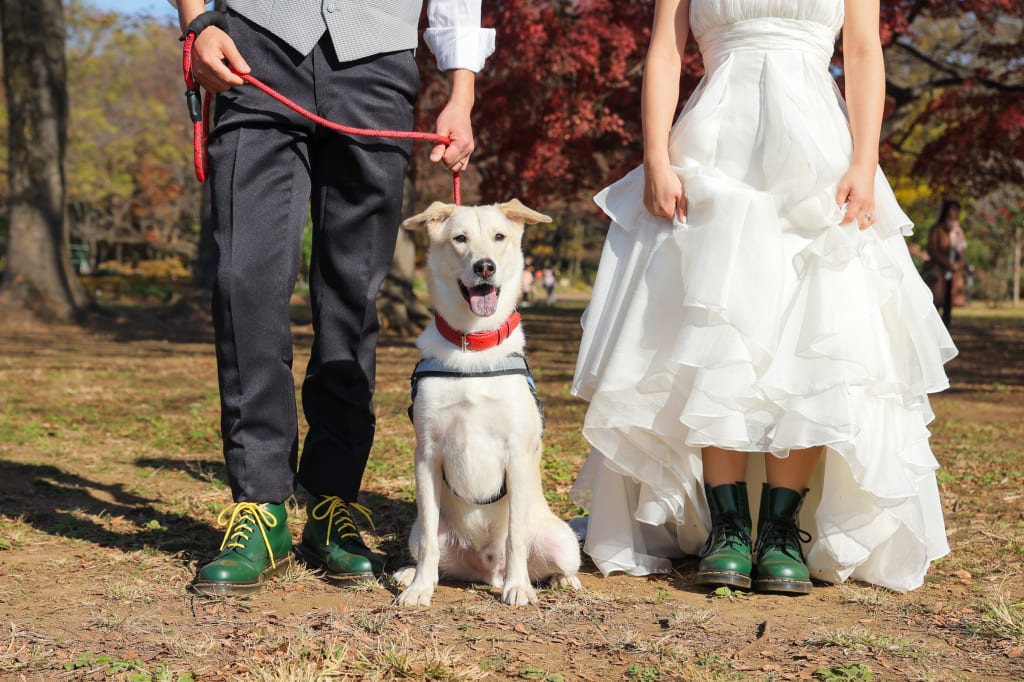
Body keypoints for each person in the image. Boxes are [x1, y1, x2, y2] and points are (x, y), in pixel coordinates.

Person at [569, 0, 957, 594]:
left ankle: (781, 527)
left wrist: (864, 158)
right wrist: (654, 158)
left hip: (818, 158)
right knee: (717, 327)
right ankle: (727, 526)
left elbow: (861, 50)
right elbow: (666, 51)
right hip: (712, 148)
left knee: (809, 331)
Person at [173, 0, 494, 594]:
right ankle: (262, 506)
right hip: (255, 49)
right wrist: (198, 21)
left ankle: (332, 502)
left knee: (352, 293)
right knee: (245, 278)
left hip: (376, 65)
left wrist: (461, 93)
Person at [925, 200, 968, 328]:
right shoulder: (937, 229)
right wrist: (948, 263)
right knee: (936, 303)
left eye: (956, 209)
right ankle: (934, 331)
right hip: (939, 273)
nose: (954, 212)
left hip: (953, 274)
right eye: (952, 209)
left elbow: (962, 252)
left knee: (949, 305)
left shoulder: (959, 231)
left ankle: (946, 331)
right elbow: (932, 249)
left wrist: (958, 265)